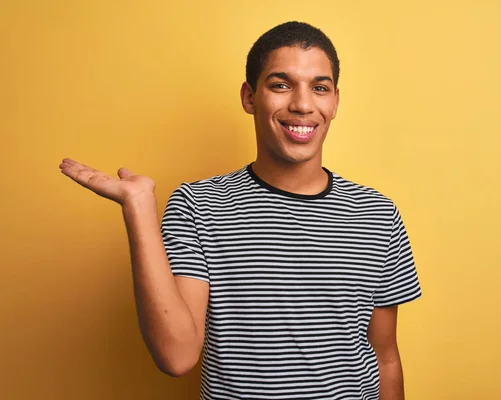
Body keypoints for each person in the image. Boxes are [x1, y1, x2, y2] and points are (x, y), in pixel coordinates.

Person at [59, 21, 421, 400]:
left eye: (319, 87)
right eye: (281, 85)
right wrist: (139, 211)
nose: (302, 104)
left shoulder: (376, 213)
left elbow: (385, 357)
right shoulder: (198, 206)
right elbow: (176, 356)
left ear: (334, 102)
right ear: (250, 97)